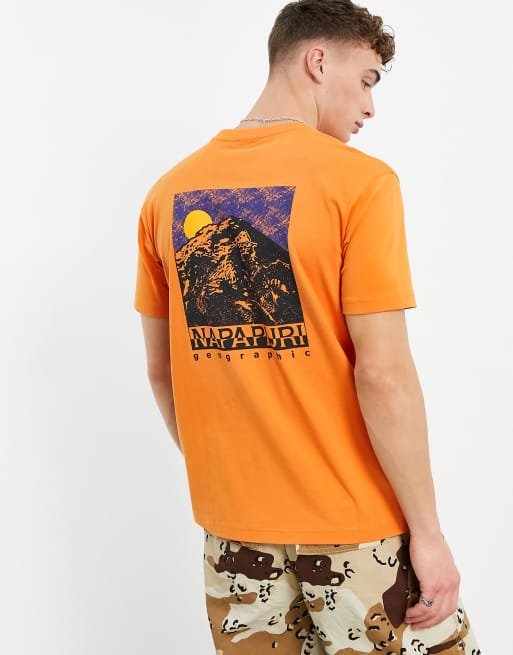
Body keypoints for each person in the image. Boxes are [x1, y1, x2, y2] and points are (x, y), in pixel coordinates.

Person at [134, 1, 480, 653]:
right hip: (355, 533)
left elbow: (162, 370)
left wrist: (240, 478)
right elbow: (382, 374)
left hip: (233, 541)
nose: (370, 107)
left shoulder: (167, 193)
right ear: (317, 61)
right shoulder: (359, 183)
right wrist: (428, 534)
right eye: (367, 80)